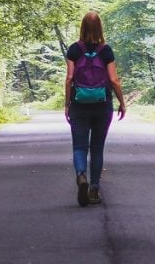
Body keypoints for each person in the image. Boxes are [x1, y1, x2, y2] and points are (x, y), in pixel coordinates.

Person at [64, 10, 126, 207]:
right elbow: (114, 80)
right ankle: (94, 189)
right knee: (97, 148)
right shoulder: (105, 50)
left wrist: (67, 104)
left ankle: (81, 175)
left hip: (79, 105)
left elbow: (70, 78)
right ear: (100, 27)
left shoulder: (74, 49)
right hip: (102, 104)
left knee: (79, 146)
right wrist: (122, 103)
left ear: (82, 27)